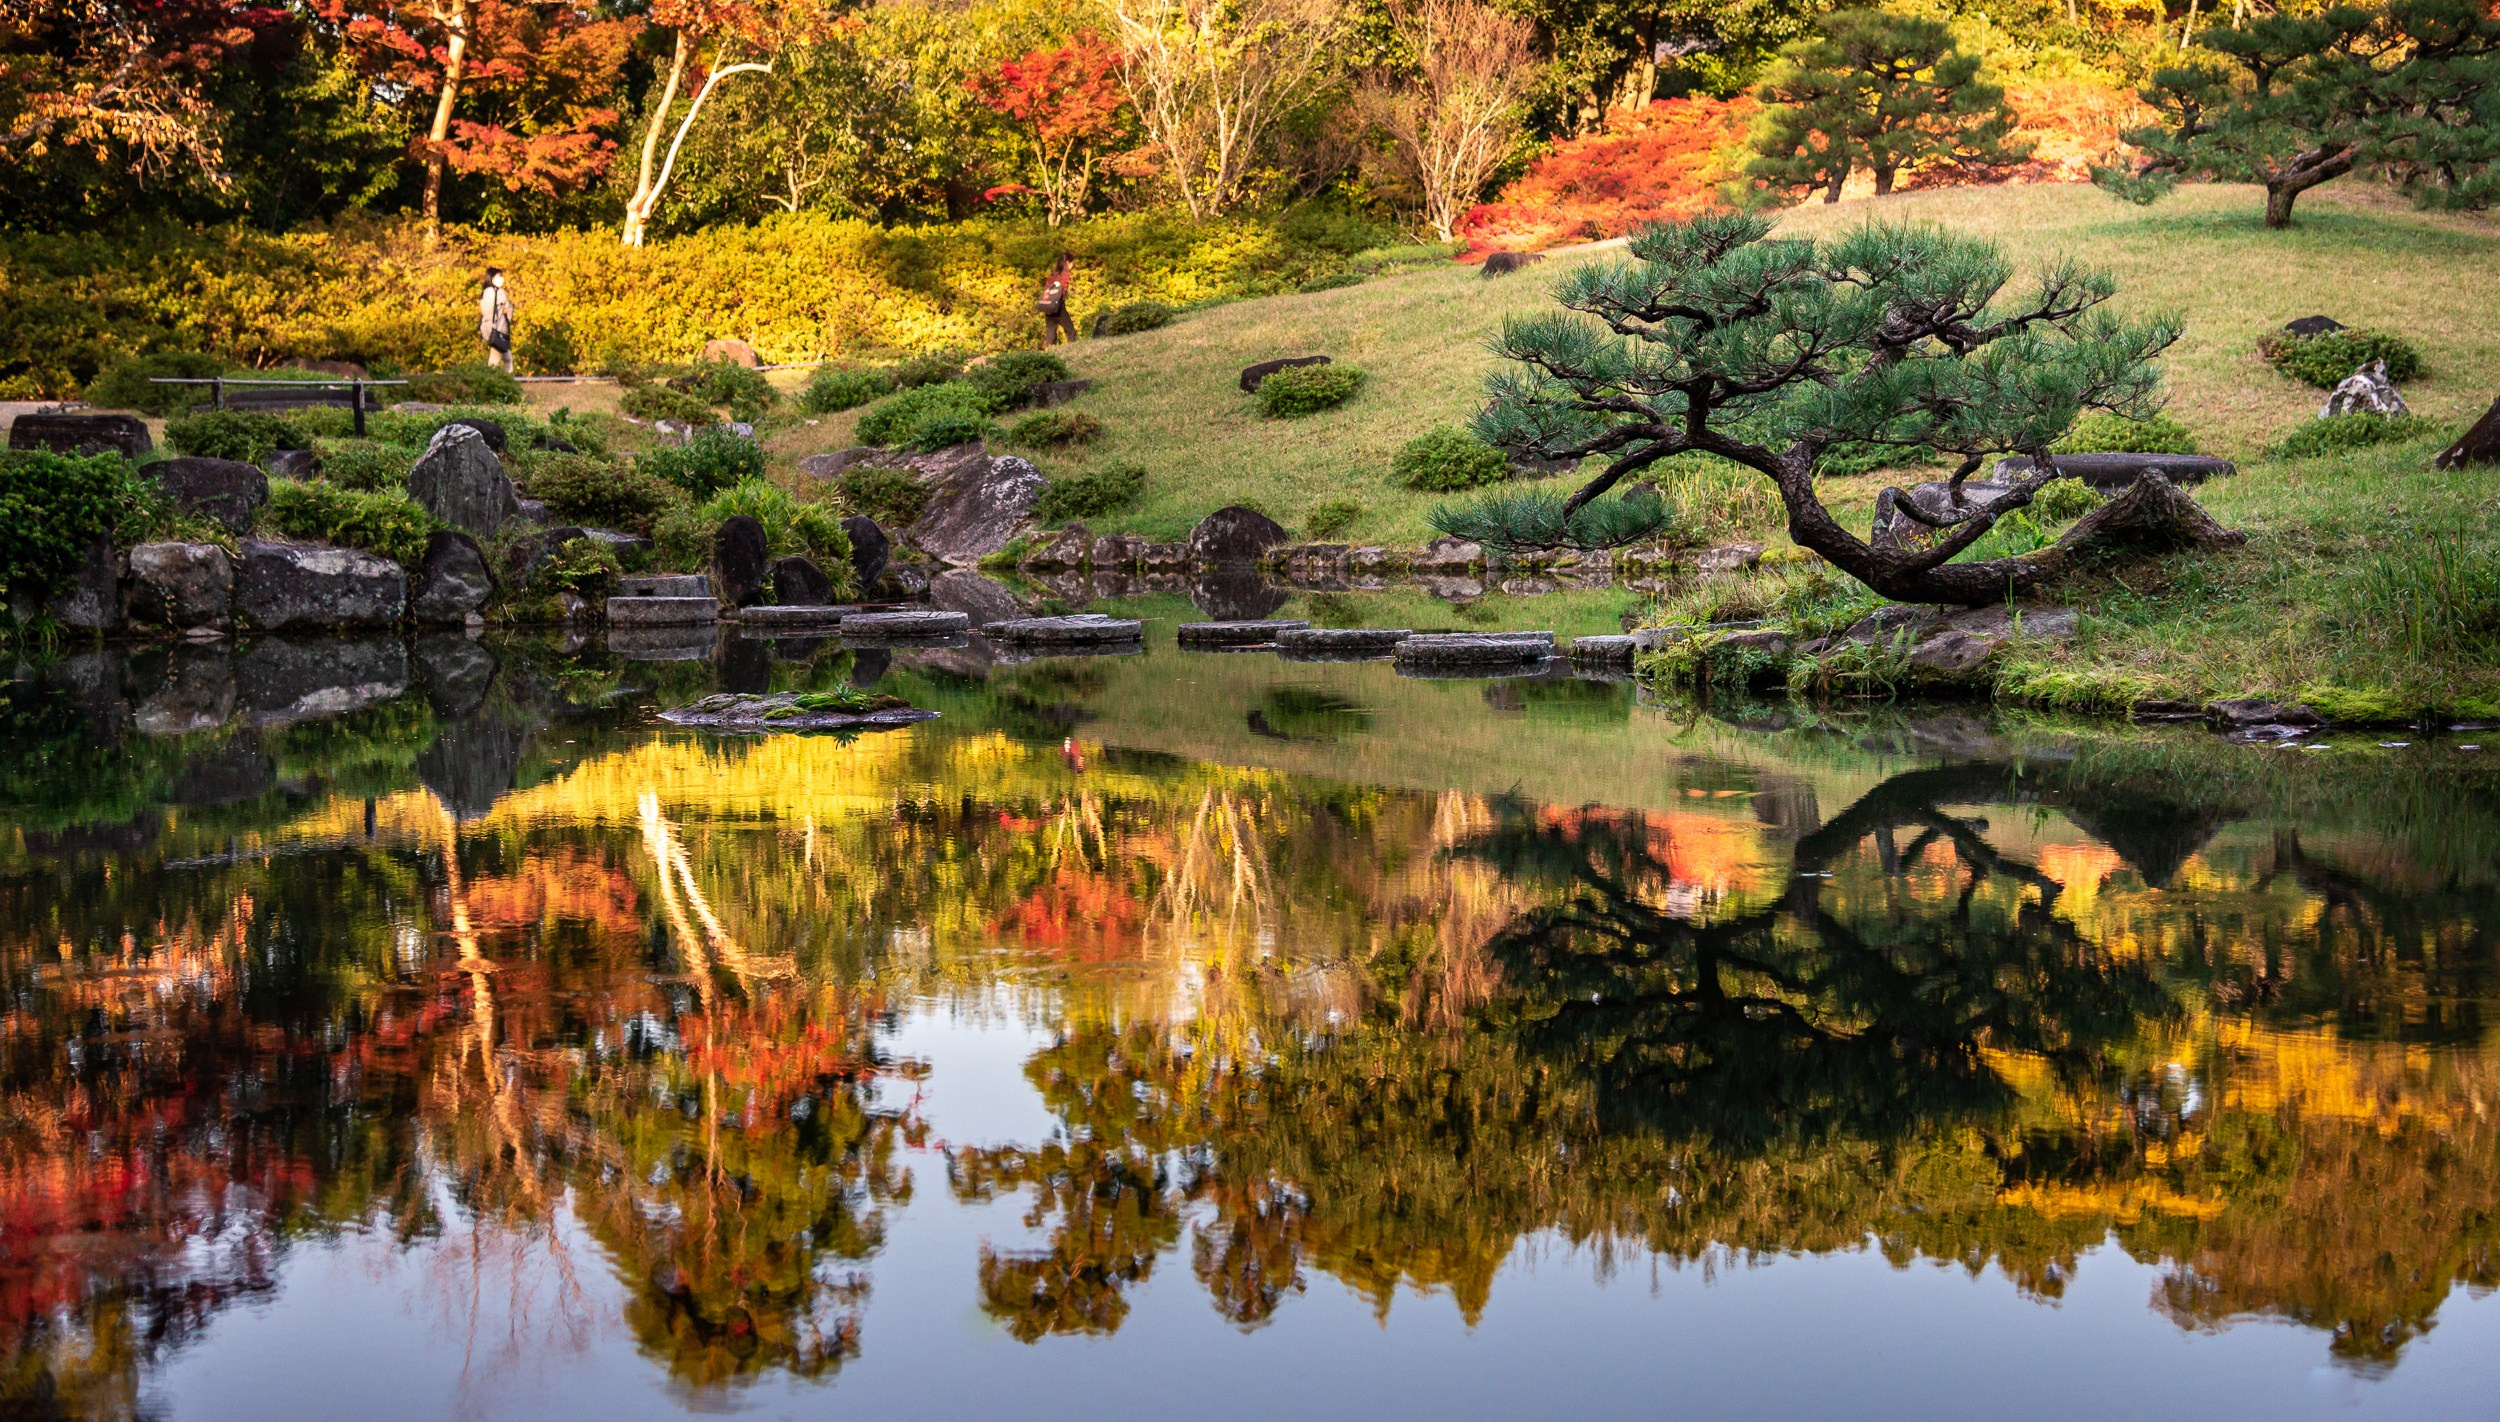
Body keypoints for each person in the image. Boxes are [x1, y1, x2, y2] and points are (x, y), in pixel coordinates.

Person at [478, 268, 514, 371]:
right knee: (496, 360)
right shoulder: (493, 292)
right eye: (499, 276)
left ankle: (504, 381)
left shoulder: (493, 292)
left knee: (506, 358)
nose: (502, 279)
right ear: (492, 279)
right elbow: (489, 312)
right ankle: (495, 382)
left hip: (497, 330)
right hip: (496, 331)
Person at [1037, 254, 1077, 346]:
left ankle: (1048, 354)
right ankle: (1073, 351)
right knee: (1070, 331)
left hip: (1048, 307)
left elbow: (1046, 289)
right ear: (1067, 263)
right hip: (1058, 308)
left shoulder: (1053, 274)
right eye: (1072, 263)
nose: (1072, 266)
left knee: (1050, 336)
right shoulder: (1065, 274)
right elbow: (1063, 291)